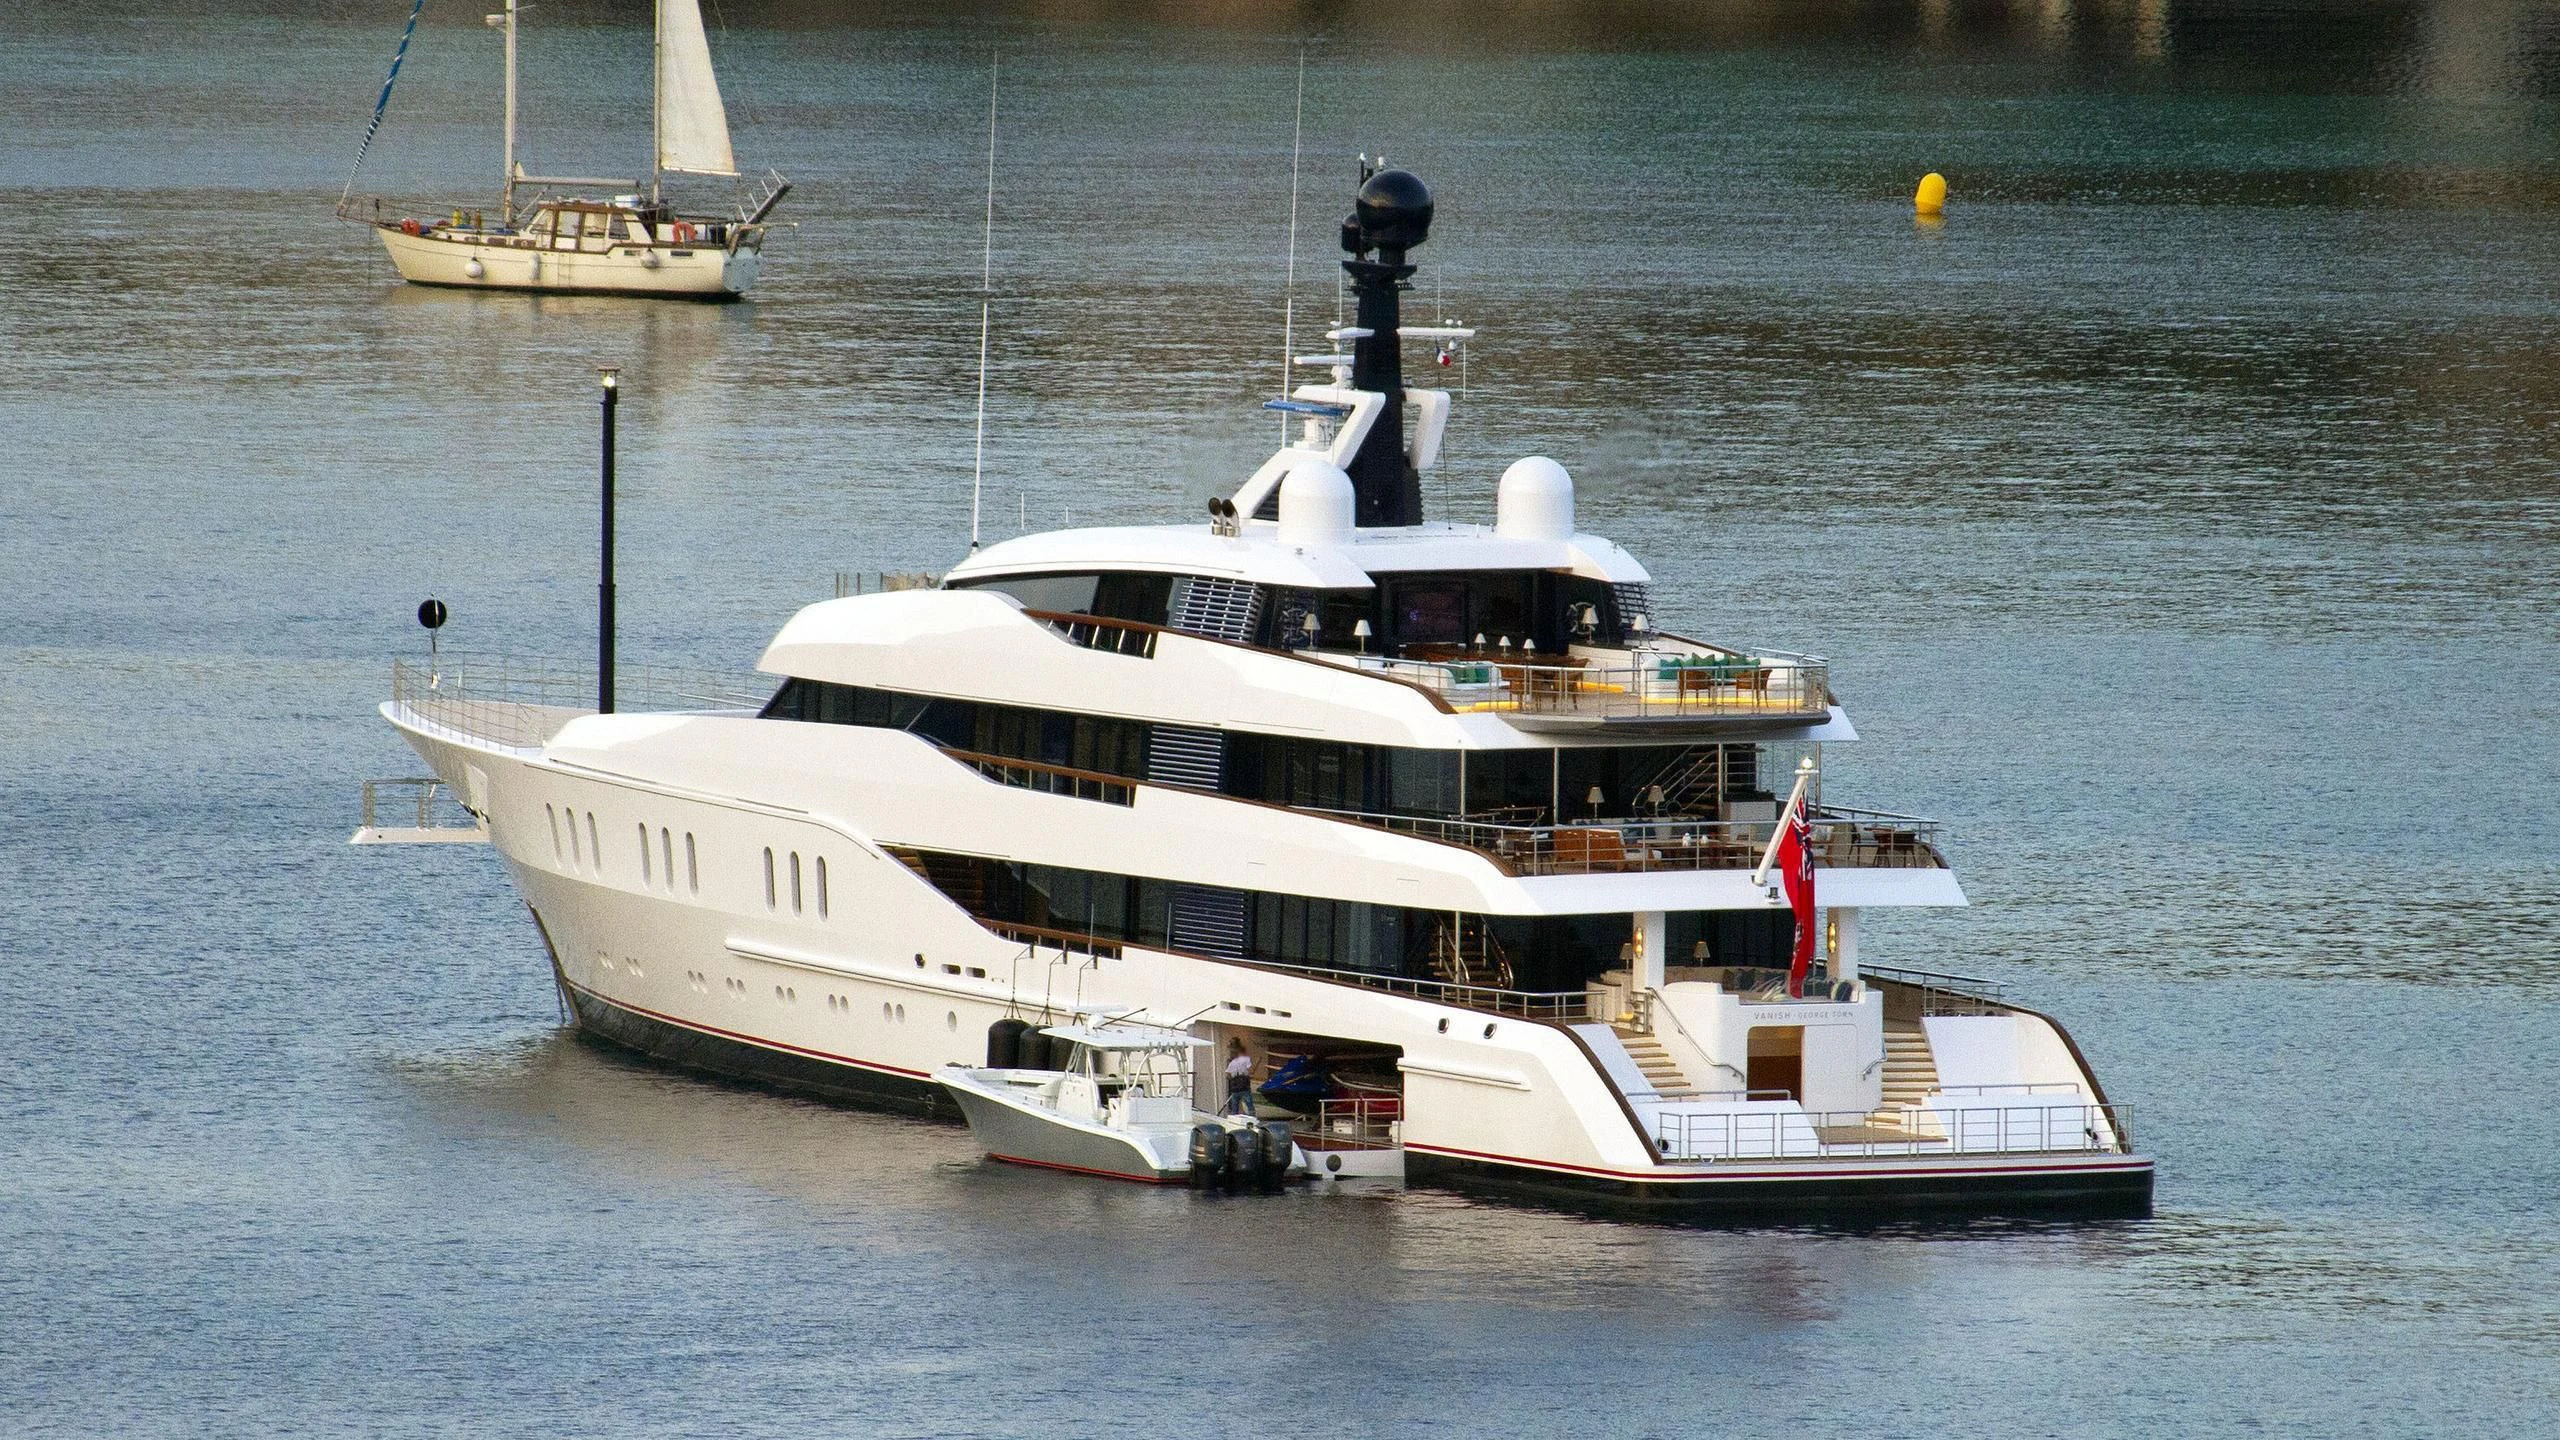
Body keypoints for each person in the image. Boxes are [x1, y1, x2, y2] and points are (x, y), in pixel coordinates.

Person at [1223, 1038, 1253, 1116]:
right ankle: (1252, 1118)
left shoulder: (1232, 1063)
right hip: (1244, 1086)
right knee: (1249, 1105)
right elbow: (1251, 1070)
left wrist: (1233, 1077)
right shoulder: (1246, 1059)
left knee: (1234, 1107)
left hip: (1235, 1087)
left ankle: (1234, 1117)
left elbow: (1228, 1075)